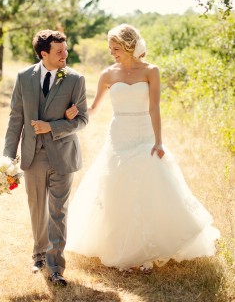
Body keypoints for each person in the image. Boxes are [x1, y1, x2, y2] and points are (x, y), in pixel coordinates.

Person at [65, 23, 220, 274]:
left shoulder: (151, 71)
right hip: (119, 135)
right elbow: (93, 109)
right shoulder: (108, 74)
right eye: (110, 48)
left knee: (149, 186)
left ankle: (148, 251)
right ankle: (123, 251)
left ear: (128, 46)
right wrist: (76, 110)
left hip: (145, 133)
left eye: (115, 48)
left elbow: (154, 108)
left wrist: (159, 141)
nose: (111, 52)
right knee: (119, 188)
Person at [3, 29, 88, 286]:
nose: (65, 54)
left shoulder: (75, 79)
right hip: (33, 156)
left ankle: (55, 267)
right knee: (37, 209)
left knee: (58, 212)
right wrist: (7, 157)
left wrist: (53, 126)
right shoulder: (23, 77)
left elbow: (82, 119)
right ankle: (39, 255)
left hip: (63, 155)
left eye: (66, 49)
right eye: (59, 51)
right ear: (44, 54)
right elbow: (15, 118)